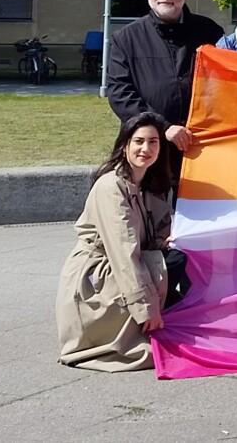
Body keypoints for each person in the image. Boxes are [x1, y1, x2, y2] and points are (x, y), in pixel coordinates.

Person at [57, 112, 188, 372]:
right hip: (98, 276)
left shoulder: (151, 185)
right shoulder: (111, 187)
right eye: (139, 141)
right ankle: (140, 326)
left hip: (130, 266)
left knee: (181, 259)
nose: (145, 149)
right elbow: (123, 253)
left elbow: (154, 237)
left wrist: (164, 241)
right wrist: (146, 308)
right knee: (170, 265)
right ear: (125, 145)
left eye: (153, 142)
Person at [106, 0, 225, 180]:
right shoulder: (127, 38)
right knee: (148, 199)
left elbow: (225, 83)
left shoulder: (209, 32)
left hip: (199, 142)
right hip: (148, 146)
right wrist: (162, 127)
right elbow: (119, 93)